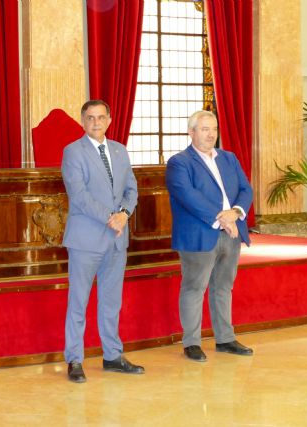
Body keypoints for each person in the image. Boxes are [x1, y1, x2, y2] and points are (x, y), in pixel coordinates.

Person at [61, 100, 143, 383]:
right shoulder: (73, 151)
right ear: (82, 121)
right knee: (79, 302)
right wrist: (111, 218)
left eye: (100, 117)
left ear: (109, 120)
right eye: (90, 118)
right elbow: (79, 195)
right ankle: (74, 359)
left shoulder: (120, 150)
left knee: (111, 302)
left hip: (117, 240)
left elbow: (132, 189)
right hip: (86, 239)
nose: (95, 122)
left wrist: (124, 214)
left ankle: (112, 356)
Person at [165, 110, 254, 362]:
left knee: (223, 286)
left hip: (232, 232)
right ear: (191, 132)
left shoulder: (229, 158)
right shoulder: (179, 162)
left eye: (214, 129)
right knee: (194, 287)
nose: (211, 134)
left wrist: (235, 212)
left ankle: (225, 338)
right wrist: (221, 218)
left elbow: (246, 189)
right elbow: (188, 196)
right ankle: (191, 342)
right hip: (199, 234)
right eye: (204, 129)